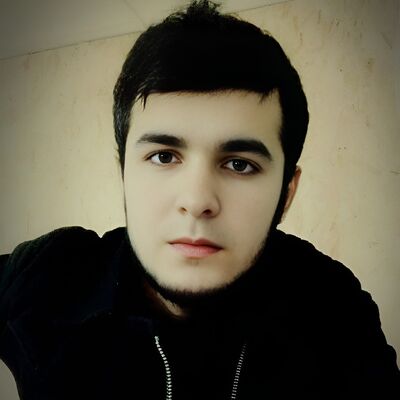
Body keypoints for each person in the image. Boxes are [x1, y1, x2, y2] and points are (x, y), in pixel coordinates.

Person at [0, 0, 399, 398]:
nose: (196, 201)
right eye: (163, 156)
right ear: (124, 173)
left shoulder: (334, 310)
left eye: (239, 164)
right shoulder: (46, 279)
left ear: (286, 193)